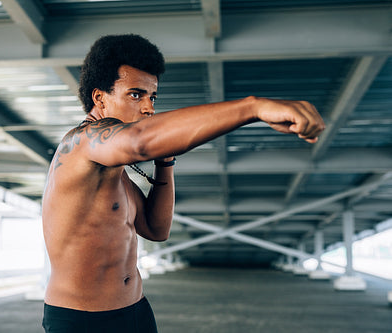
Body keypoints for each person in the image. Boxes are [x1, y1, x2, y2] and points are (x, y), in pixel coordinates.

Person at [41, 34, 325, 332]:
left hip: (135, 310)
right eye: (135, 95)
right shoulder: (80, 143)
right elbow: (138, 141)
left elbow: (156, 229)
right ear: (99, 98)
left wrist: (166, 162)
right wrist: (253, 108)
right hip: (83, 321)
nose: (149, 108)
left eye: (152, 97)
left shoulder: (116, 175)